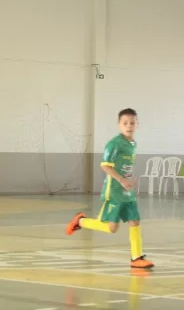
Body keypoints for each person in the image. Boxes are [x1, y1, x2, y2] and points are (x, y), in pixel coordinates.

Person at [66, 108, 154, 269]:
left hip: (127, 191)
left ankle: (136, 258)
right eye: (125, 123)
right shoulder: (114, 144)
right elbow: (105, 166)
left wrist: (128, 181)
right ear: (119, 125)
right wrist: (121, 180)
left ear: (137, 125)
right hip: (114, 190)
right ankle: (81, 221)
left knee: (135, 220)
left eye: (132, 123)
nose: (129, 126)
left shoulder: (133, 143)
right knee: (112, 228)